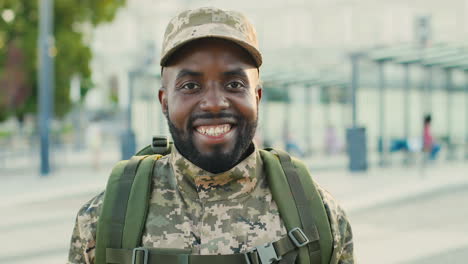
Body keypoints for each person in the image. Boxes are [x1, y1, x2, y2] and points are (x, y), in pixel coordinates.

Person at [68, 7, 354, 264]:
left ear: (257, 96)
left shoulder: (320, 217)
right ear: (164, 101)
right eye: (191, 86)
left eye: (234, 84)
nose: (215, 102)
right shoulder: (102, 220)